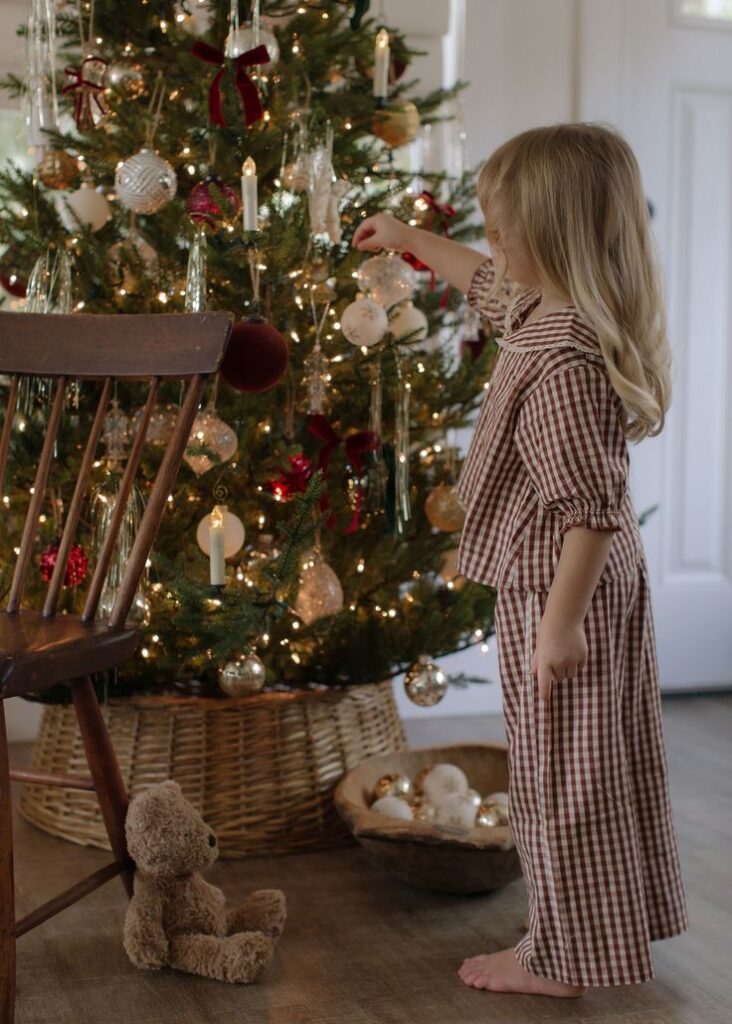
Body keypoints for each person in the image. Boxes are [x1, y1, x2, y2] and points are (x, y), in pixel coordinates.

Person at [352, 123, 687, 998]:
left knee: (560, 779)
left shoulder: (563, 359)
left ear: (554, 235)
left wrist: (559, 626)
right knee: (587, 763)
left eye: (505, 231)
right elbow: (483, 281)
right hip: (563, 585)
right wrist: (409, 238)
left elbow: (590, 511)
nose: (492, 245)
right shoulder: (548, 310)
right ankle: (600, 929)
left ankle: (562, 958)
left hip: (563, 590)